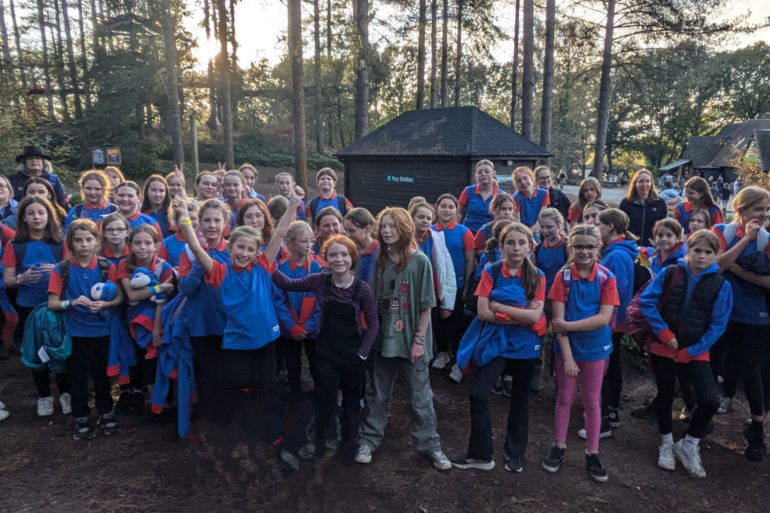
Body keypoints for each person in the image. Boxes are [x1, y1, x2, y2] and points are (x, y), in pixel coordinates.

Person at [172, 186, 301, 423]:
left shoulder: (263, 265)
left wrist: (293, 202)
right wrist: (183, 215)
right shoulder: (220, 272)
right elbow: (195, 246)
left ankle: (264, 423)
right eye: (240, 247)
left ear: (257, 252)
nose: (244, 253)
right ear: (230, 248)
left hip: (266, 338)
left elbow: (281, 232)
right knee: (236, 385)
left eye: (250, 249)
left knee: (265, 384)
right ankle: (239, 427)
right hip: (237, 341)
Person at [355, 207, 452, 470]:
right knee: (377, 393)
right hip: (382, 340)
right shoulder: (378, 259)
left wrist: (419, 341)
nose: (386, 231)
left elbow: (426, 306)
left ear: (404, 228)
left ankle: (430, 445)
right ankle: (368, 439)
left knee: (421, 397)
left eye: (392, 226)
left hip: (411, 340)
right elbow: (372, 302)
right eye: (383, 226)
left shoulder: (419, 261)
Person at [272, 233, 379, 462]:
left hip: (353, 355)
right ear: (326, 259)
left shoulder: (362, 289)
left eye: (343, 254)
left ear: (352, 257)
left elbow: (374, 325)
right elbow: (287, 284)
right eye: (333, 255)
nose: (339, 259)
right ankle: (322, 442)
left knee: (351, 405)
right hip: (325, 355)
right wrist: (266, 263)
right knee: (325, 400)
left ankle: (348, 446)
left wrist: (362, 354)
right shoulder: (319, 281)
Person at [452, 222, 545, 472]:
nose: (516, 248)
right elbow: (482, 313)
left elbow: (535, 319)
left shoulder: (537, 275)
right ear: (501, 247)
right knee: (478, 393)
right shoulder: (491, 272)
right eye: (510, 243)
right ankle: (481, 455)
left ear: (529, 245)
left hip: (526, 348)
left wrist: (500, 307)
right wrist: (521, 314)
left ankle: (515, 454)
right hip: (497, 344)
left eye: (521, 242)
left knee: (520, 401)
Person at [639, 229, 731, 477]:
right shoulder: (671, 273)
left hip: (696, 350)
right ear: (688, 250)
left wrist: (694, 350)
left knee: (710, 400)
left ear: (716, 255)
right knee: (665, 394)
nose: (701, 256)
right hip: (664, 346)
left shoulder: (722, 285)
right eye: (697, 250)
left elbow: (718, 324)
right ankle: (666, 442)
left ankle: (689, 444)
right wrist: (664, 333)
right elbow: (647, 301)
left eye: (708, 252)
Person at [542, 224, 619, 483]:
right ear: (571, 247)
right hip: (567, 349)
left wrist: (568, 327)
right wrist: (568, 357)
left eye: (589, 246)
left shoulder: (607, 277)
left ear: (599, 247)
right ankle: (559, 445)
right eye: (578, 246)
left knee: (592, 401)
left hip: (596, 348)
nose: (584, 252)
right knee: (564, 398)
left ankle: (592, 452)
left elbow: (603, 318)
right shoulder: (562, 277)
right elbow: (557, 321)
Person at [48, 219, 125, 439]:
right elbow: (52, 302)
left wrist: (105, 304)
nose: (84, 244)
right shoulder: (61, 269)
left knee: (102, 375)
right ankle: (80, 417)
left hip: (102, 331)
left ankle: (106, 412)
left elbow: (119, 295)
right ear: (70, 242)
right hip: (74, 333)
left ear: (96, 241)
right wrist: (71, 303)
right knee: (77, 377)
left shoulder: (105, 266)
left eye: (89, 239)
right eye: (78, 240)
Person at [711, 186, 770, 460]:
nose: (764, 215)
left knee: (753, 372)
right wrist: (746, 240)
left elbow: (768, 282)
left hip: (752, 315)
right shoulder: (721, 231)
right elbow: (714, 265)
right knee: (711, 363)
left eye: (767, 210)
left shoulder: (768, 239)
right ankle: (704, 415)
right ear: (742, 209)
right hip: (719, 311)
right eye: (759, 209)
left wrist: (736, 269)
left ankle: (757, 433)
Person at [2, 196, 69, 416]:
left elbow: (73, 273)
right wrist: (23, 278)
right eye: (31, 213)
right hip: (29, 306)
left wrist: (58, 270)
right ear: (23, 217)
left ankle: (65, 393)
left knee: (60, 348)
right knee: (36, 349)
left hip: (56, 303)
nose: (37, 217)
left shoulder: (61, 242)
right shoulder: (15, 245)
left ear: (49, 215)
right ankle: (44, 396)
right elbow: (9, 280)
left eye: (41, 212)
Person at [176, 199, 230, 421]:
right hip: (200, 325)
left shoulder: (234, 249)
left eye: (217, 220)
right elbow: (186, 289)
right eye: (206, 220)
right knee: (206, 375)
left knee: (227, 375)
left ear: (225, 223)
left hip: (228, 325)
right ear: (198, 223)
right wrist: (200, 260)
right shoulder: (189, 252)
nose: (211, 225)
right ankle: (209, 421)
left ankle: (229, 418)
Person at [115, 225, 176, 411]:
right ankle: (146, 399)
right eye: (138, 243)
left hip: (156, 322)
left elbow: (162, 302)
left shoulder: (164, 267)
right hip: (133, 321)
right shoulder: (124, 265)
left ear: (156, 245)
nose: (143, 247)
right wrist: (157, 288)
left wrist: (157, 330)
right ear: (131, 245)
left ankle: (163, 404)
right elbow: (132, 295)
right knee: (139, 360)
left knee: (156, 361)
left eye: (148, 243)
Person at [592, 208, 638, 436]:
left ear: (610, 227)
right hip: (612, 317)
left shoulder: (617, 255)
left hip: (611, 319)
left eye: (599, 224)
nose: (596, 228)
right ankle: (610, 411)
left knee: (608, 366)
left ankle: (607, 414)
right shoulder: (615, 251)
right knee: (611, 364)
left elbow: (615, 289)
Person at [272, 221, 323, 398]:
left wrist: (309, 325)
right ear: (291, 242)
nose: (309, 245)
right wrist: (291, 326)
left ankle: (319, 397)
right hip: (290, 330)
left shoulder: (318, 267)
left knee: (316, 365)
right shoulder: (282, 268)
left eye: (311, 241)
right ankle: (295, 399)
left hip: (312, 328)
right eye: (304, 241)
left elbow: (320, 301)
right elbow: (278, 301)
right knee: (293, 366)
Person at [409, 200, 457, 370]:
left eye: (428, 218)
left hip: (432, 297)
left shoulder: (436, 239)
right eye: (420, 217)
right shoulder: (404, 240)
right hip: (408, 296)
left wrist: (448, 303)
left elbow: (447, 271)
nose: (424, 221)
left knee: (428, 334)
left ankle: (423, 365)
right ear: (411, 218)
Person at [433, 193, 476, 380]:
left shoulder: (464, 232)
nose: (447, 210)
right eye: (443, 206)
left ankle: (459, 359)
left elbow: (469, 261)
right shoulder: (430, 230)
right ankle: (443, 352)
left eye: (451, 207)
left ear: (456, 210)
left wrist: (466, 286)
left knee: (457, 322)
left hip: (457, 285)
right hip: (435, 286)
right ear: (437, 208)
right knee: (438, 322)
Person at [619, 169, 667, 246]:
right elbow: (620, 227)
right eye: (641, 181)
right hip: (630, 247)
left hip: (652, 248)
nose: (644, 184)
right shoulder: (626, 203)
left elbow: (664, 226)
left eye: (647, 181)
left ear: (651, 183)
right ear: (635, 184)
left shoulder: (659, 203)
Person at [458, 160, 499, 233]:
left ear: (493, 174)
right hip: (469, 233)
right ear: (476, 175)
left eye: (487, 171)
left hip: (490, 235)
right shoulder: (468, 191)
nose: (483, 174)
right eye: (479, 172)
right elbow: (458, 212)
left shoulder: (500, 195)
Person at [160, 201, 199, 268]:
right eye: (186, 218)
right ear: (177, 222)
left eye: (193, 218)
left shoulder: (205, 239)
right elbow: (162, 268)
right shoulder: (167, 243)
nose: (190, 223)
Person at [343, 207, 378, 283]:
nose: (347, 235)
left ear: (367, 228)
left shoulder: (380, 251)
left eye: (352, 231)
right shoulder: (346, 249)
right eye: (345, 230)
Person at [512, 166, 549, 231]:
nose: (523, 182)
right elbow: (518, 222)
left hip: (540, 228)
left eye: (525, 178)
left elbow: (541, 219)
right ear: (516, 185)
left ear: (531, 178)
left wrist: (530, 233)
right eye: (519, 181)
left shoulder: (544, 194)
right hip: (523, 230)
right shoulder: (516, 198)